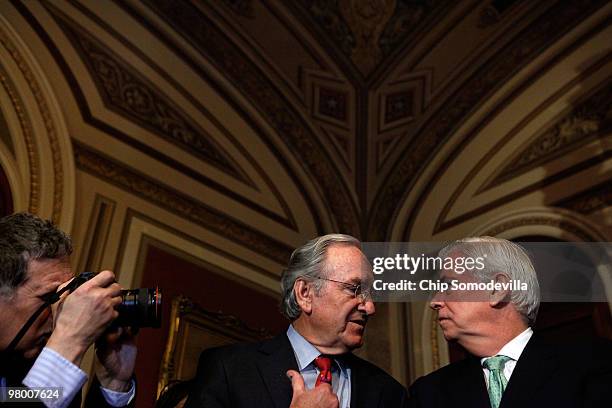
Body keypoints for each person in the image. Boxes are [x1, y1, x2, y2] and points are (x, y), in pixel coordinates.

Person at [185, 234, 408, 408]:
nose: (369, 307)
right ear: (304, 293)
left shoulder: (389, 393)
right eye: (354, 289)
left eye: (370, 294)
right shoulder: (230, 369)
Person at [408, 237, 612, 408]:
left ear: (497, 289)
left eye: (448, 285)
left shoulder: (596, 363)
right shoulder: (428, 393)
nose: (435, 302)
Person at [0, 212, 137, 407]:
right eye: (49, 297)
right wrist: (70, 340)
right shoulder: (58, 359)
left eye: (65, 295)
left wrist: (114, 382)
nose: (61, 309)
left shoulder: (27, 367)